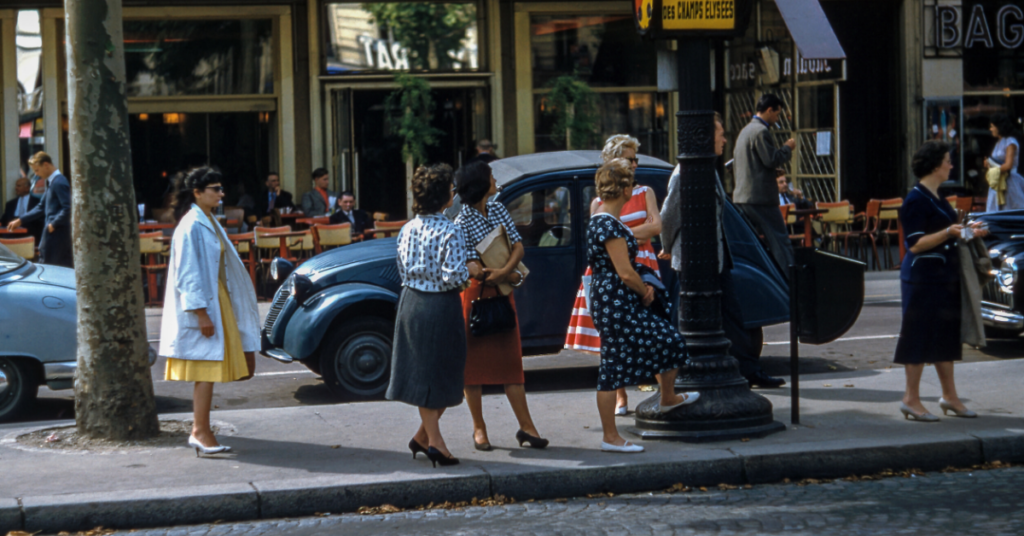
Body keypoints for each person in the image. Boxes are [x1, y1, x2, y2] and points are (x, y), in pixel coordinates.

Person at [663, 113, 786, 389]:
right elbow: (669, 216)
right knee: (695, 319)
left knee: (732, 314)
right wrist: (667, 247)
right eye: (720, 134)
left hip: (718, 255)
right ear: (707, 137)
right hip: (695, 259)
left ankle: (749, 369)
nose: (724, 140)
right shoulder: (685, 172)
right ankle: (690, 370)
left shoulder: (709, 169)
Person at [588, 158, 698, 453]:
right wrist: (644, 291)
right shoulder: (608, 224)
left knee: (658, 344)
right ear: (624, 189)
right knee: (621, 361)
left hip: (610, 297)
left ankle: (667, 398)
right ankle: (611, 436)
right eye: (630, 184)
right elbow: (624, 271)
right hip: (616, 297)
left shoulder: (599, 217)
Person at [159, 167, 260, 456]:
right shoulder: (192, 224)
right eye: (215, 188)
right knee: (207, 369)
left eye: (220, 188)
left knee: (234, 365)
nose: (221, 193)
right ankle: (200, 431)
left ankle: (201, 429)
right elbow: (187, 273)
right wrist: (200, 312)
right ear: (197, 193)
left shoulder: (206, 220)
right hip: (206, 301)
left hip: (218, 299)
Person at [387, 163, 483, 468]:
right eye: (451, 190)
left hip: (411, 302)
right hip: (440, 306)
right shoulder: (449, 229)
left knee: (427, 373)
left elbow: (401, 270)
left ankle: (422, 437)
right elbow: (453, 277)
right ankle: (436, 443)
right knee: (439, 374)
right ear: (444, 196)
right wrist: (469, 272)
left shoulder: (407, 228)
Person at [453, 161, 547, 452]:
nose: (495, 180)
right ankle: (479, 428)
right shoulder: (461, 221)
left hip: (502, 288)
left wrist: (505, 271)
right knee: (473, 368)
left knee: (511, 363)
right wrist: (498, 271)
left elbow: (517, 244)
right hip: (475, 295)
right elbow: (471, 265)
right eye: (491, 177)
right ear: (482, 185)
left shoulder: (497, 208)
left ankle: (527, 426)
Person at [566, 134, 661, 415]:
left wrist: (620, 236)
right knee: (614, 334)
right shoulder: (600, 202)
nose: (634, 164)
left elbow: (656, 226)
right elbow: (632, 231)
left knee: (653, 325)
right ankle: (621, 396)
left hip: (641, 263)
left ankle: (662, 389)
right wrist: (631, 235)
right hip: (618, 266)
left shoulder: (644, 192)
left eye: (635, 159)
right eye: (629, 159)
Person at [896, 141, 988, 422]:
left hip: (942, 277)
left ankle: (950, 396)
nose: (951, 165)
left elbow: (948, 232)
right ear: (935, 165)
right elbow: (915, 244)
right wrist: (950, 231)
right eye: (948, 161)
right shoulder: (915, 200)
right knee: (918, 337)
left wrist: (968, 231)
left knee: (945, 337)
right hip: (923, 278)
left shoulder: (936, 196)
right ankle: (911, 398)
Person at [733, 94, 797, 275]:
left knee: (754, 241)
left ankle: (765, 276)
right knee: (780, 240)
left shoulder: (745, 130)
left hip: (743, 196)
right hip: (760, 197)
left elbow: (754, 163)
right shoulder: (761, 131)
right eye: (777, 115)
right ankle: (788, 280)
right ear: (769, 110)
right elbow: (772, 159)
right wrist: (787, 148)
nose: (777, 119)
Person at [6, 152, 73, 267]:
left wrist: (54, 224)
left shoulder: (59, 182)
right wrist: (20, 220)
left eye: (37, 170)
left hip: (58, 234)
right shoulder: (53, 182)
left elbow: (68, 207)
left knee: (52, 266)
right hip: (54, 233)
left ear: (46, 165)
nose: (36, 174)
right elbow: (41, 207)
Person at [983, 114, 1024, 212]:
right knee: (995, 211)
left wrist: (993, 170)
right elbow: (996, 161)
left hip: (1009, 181)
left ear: (999, 127)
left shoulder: (1010, 142)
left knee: (1011, 210)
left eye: (992, 126)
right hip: (998, 181)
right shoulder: (999, 142)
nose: (990, 129)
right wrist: (988, 163)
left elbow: (1008, 165)